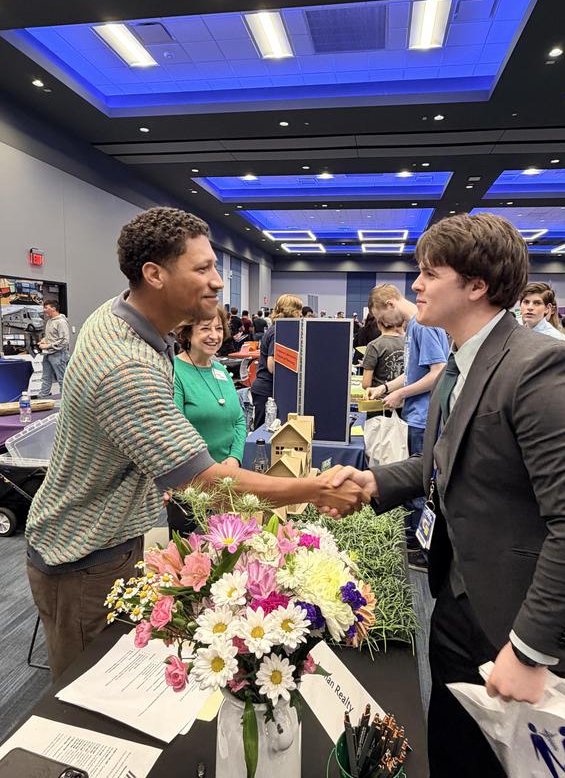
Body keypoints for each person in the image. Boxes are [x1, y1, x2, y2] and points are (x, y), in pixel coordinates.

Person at [24, 207, 366, 679]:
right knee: (91, 703)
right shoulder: (127, 366)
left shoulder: (120, 314)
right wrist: (316, 489)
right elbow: (206, 481)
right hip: (87, 559)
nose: (218, 282)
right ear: (155, 274)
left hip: (112, 543)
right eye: (203, 269)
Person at [326, 212, 565, 778]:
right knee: (453, 752)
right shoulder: (460, 364)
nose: (416, 286)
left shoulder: (541, 365)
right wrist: (377, 481)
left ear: (476, 286)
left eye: (430, 273)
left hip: (521, 621)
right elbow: (446, 462)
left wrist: (531, 649)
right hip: (456, 602)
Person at [366, 283, 448, 567]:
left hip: (424, 418)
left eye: (381, 317)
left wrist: (400, 394)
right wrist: (387, 387)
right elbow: (414, 373)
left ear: (390, 304)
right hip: (417, 416)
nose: (382, 324)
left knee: (420, 485)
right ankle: (417, 542)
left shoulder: (423, 327)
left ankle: (422, 549)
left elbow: (438, 373)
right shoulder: (415, 327)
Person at [170, 306, 246, 536]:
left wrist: (234, 458)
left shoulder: (220, 369)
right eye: (205, 329)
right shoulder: (175, 371)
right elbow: (174, 430)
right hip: (191, 483)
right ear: (187, 333)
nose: (214, 335)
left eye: (218, 328)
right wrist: (209, 468)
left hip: (227, 480)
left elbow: (239, 420)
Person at [251, 293, 303, 429]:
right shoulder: (279, 331)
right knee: (262, 432)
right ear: (292, 311)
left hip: (269, 389)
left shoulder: (278, 329)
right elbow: (272, 366)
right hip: (266, 390)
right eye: (299, 311)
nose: (301, 315)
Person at [520, 282, 565, 347]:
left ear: (547, 308)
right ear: (520, 305)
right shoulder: (517, 334)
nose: (530, 307)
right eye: (526, 302)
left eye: (537, 303)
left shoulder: (557, 339)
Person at [38, 300, 70, 397]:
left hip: (58, 355)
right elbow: (50, 337)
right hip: (48, 354)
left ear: (53, 308)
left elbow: (64, 341)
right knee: (45, 377)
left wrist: (48, 345)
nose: (44, 310)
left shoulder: (61, 322)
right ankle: (42, 398)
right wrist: (44, 340)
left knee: (62, 379)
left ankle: (65, 400)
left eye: (46, 308)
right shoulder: (49, 322)